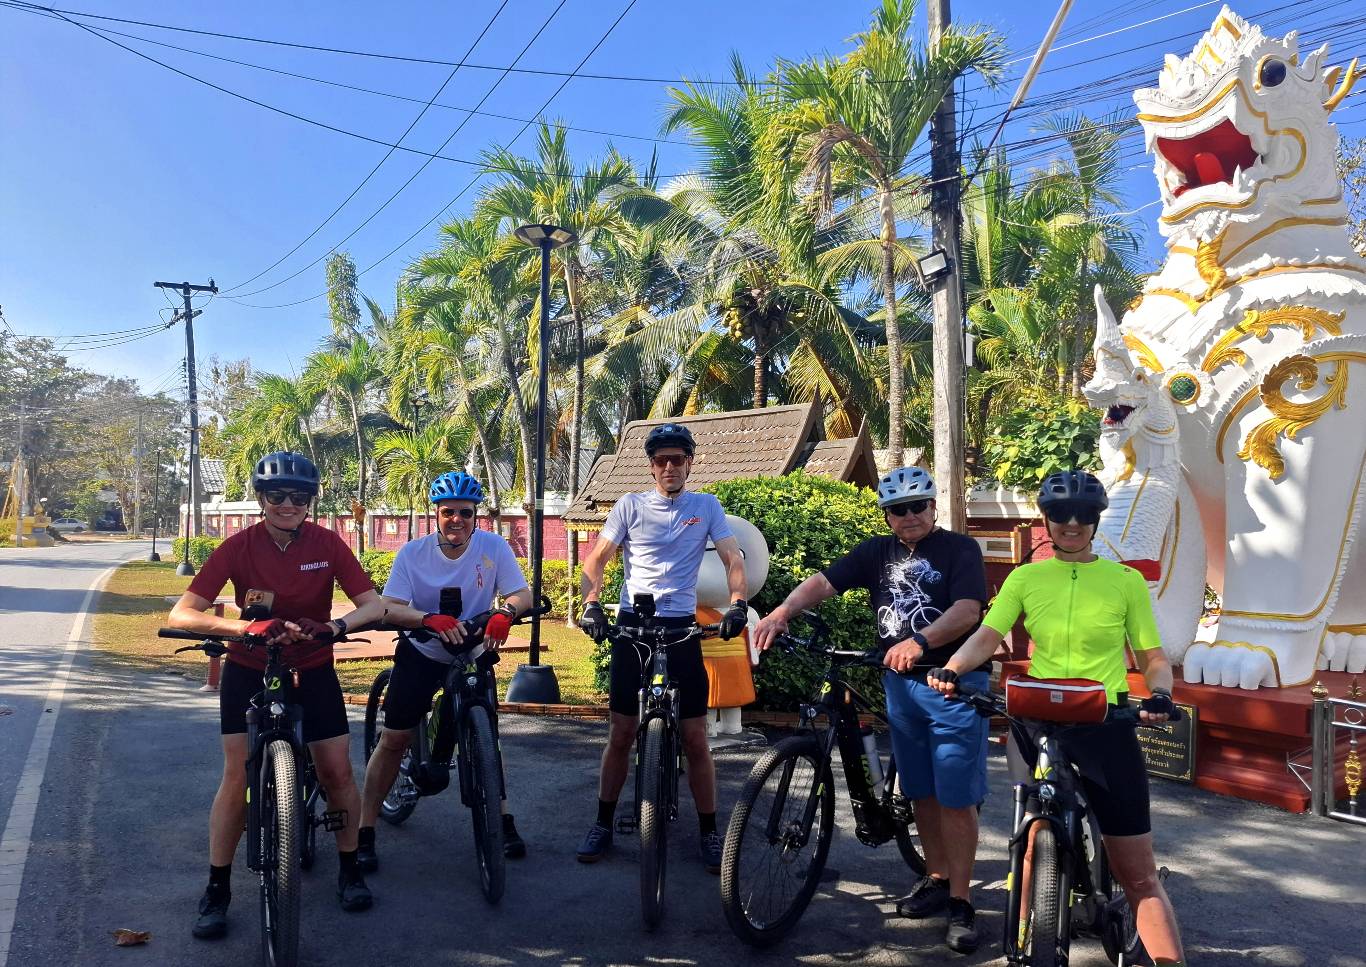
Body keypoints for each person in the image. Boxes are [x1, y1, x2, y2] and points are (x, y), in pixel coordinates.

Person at [927, 469, 1186, 965]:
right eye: (1061, 514)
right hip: (1036, 722)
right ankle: (1026, 943)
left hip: (1104, 723)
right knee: (1029, 843)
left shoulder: (1125, 581)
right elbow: (988, 633)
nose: (1072, 523)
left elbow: (1152, 655)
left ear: (1095, 520)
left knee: (1138, 874)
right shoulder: (1026, 577)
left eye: (1084, 515)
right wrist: (954, 667)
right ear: (1046, 520)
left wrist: (1158, 693)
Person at [752, 466, 989, 953]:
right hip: (899, 684)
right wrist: (780, 612)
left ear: (933, 507)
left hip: (952, 682)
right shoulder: (875, 553)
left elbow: (969, 610)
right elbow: (823, 582)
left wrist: (920, 641)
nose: (908, 517)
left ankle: (962, 903)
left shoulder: (959, 549)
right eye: (897, 510)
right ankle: (938, 878)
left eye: (917, 506)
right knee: (921, 789)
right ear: (886, 516)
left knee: (955, 795)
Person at [169, 451, 388, 940]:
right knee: (235, 777)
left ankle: (349, 868)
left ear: (310, 500)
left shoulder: (328, 543)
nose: (288, 504)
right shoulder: (237, 546)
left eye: (299, 496)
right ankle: (218, 887)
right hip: (248, 669)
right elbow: (184, 614)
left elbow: (371, 605)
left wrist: (333, 626)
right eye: (276, 495)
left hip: (312, 668)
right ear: (260, 498)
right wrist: (246, 627)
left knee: (336, 771)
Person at [576, 422, 749, 872]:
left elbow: (733, 557)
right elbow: (596, 559)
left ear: (690, 463)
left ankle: (710, 831)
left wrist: (737, 604)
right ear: (651, 466)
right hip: (634, 626)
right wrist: (591, 603)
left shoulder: (706, 505)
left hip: (681, 629)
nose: (669, 466)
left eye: (677, 459)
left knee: (695, 738)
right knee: (620, 732)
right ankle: (602, 822)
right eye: (661, 460)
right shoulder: (630, 506)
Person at [356, 471, 532, 871]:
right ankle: (365, 829)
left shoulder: (492, 547)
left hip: (471, 650)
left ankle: (502, 820)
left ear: (476, 516)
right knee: (395, 738)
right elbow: (389, 606)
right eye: (448, 511)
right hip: (422, 650)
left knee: (488, 736)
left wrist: (506, 612)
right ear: (436, 514)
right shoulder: (412, 554)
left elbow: (522, 593)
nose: (457, 519)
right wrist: (425, 619)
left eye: (465, 513)